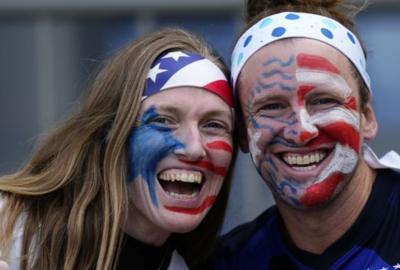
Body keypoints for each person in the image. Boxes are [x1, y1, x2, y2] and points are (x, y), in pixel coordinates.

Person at [206, 0, 400, 269]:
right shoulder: (229, 262)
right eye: (272, 106)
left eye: (324, 100)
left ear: (367, 117)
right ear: (243, 132)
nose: (301, 130)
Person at [0, 27, 236, 270]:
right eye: (162, 121)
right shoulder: (9, 229)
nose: (194, 148)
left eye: (214, 125)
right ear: (110, 134)